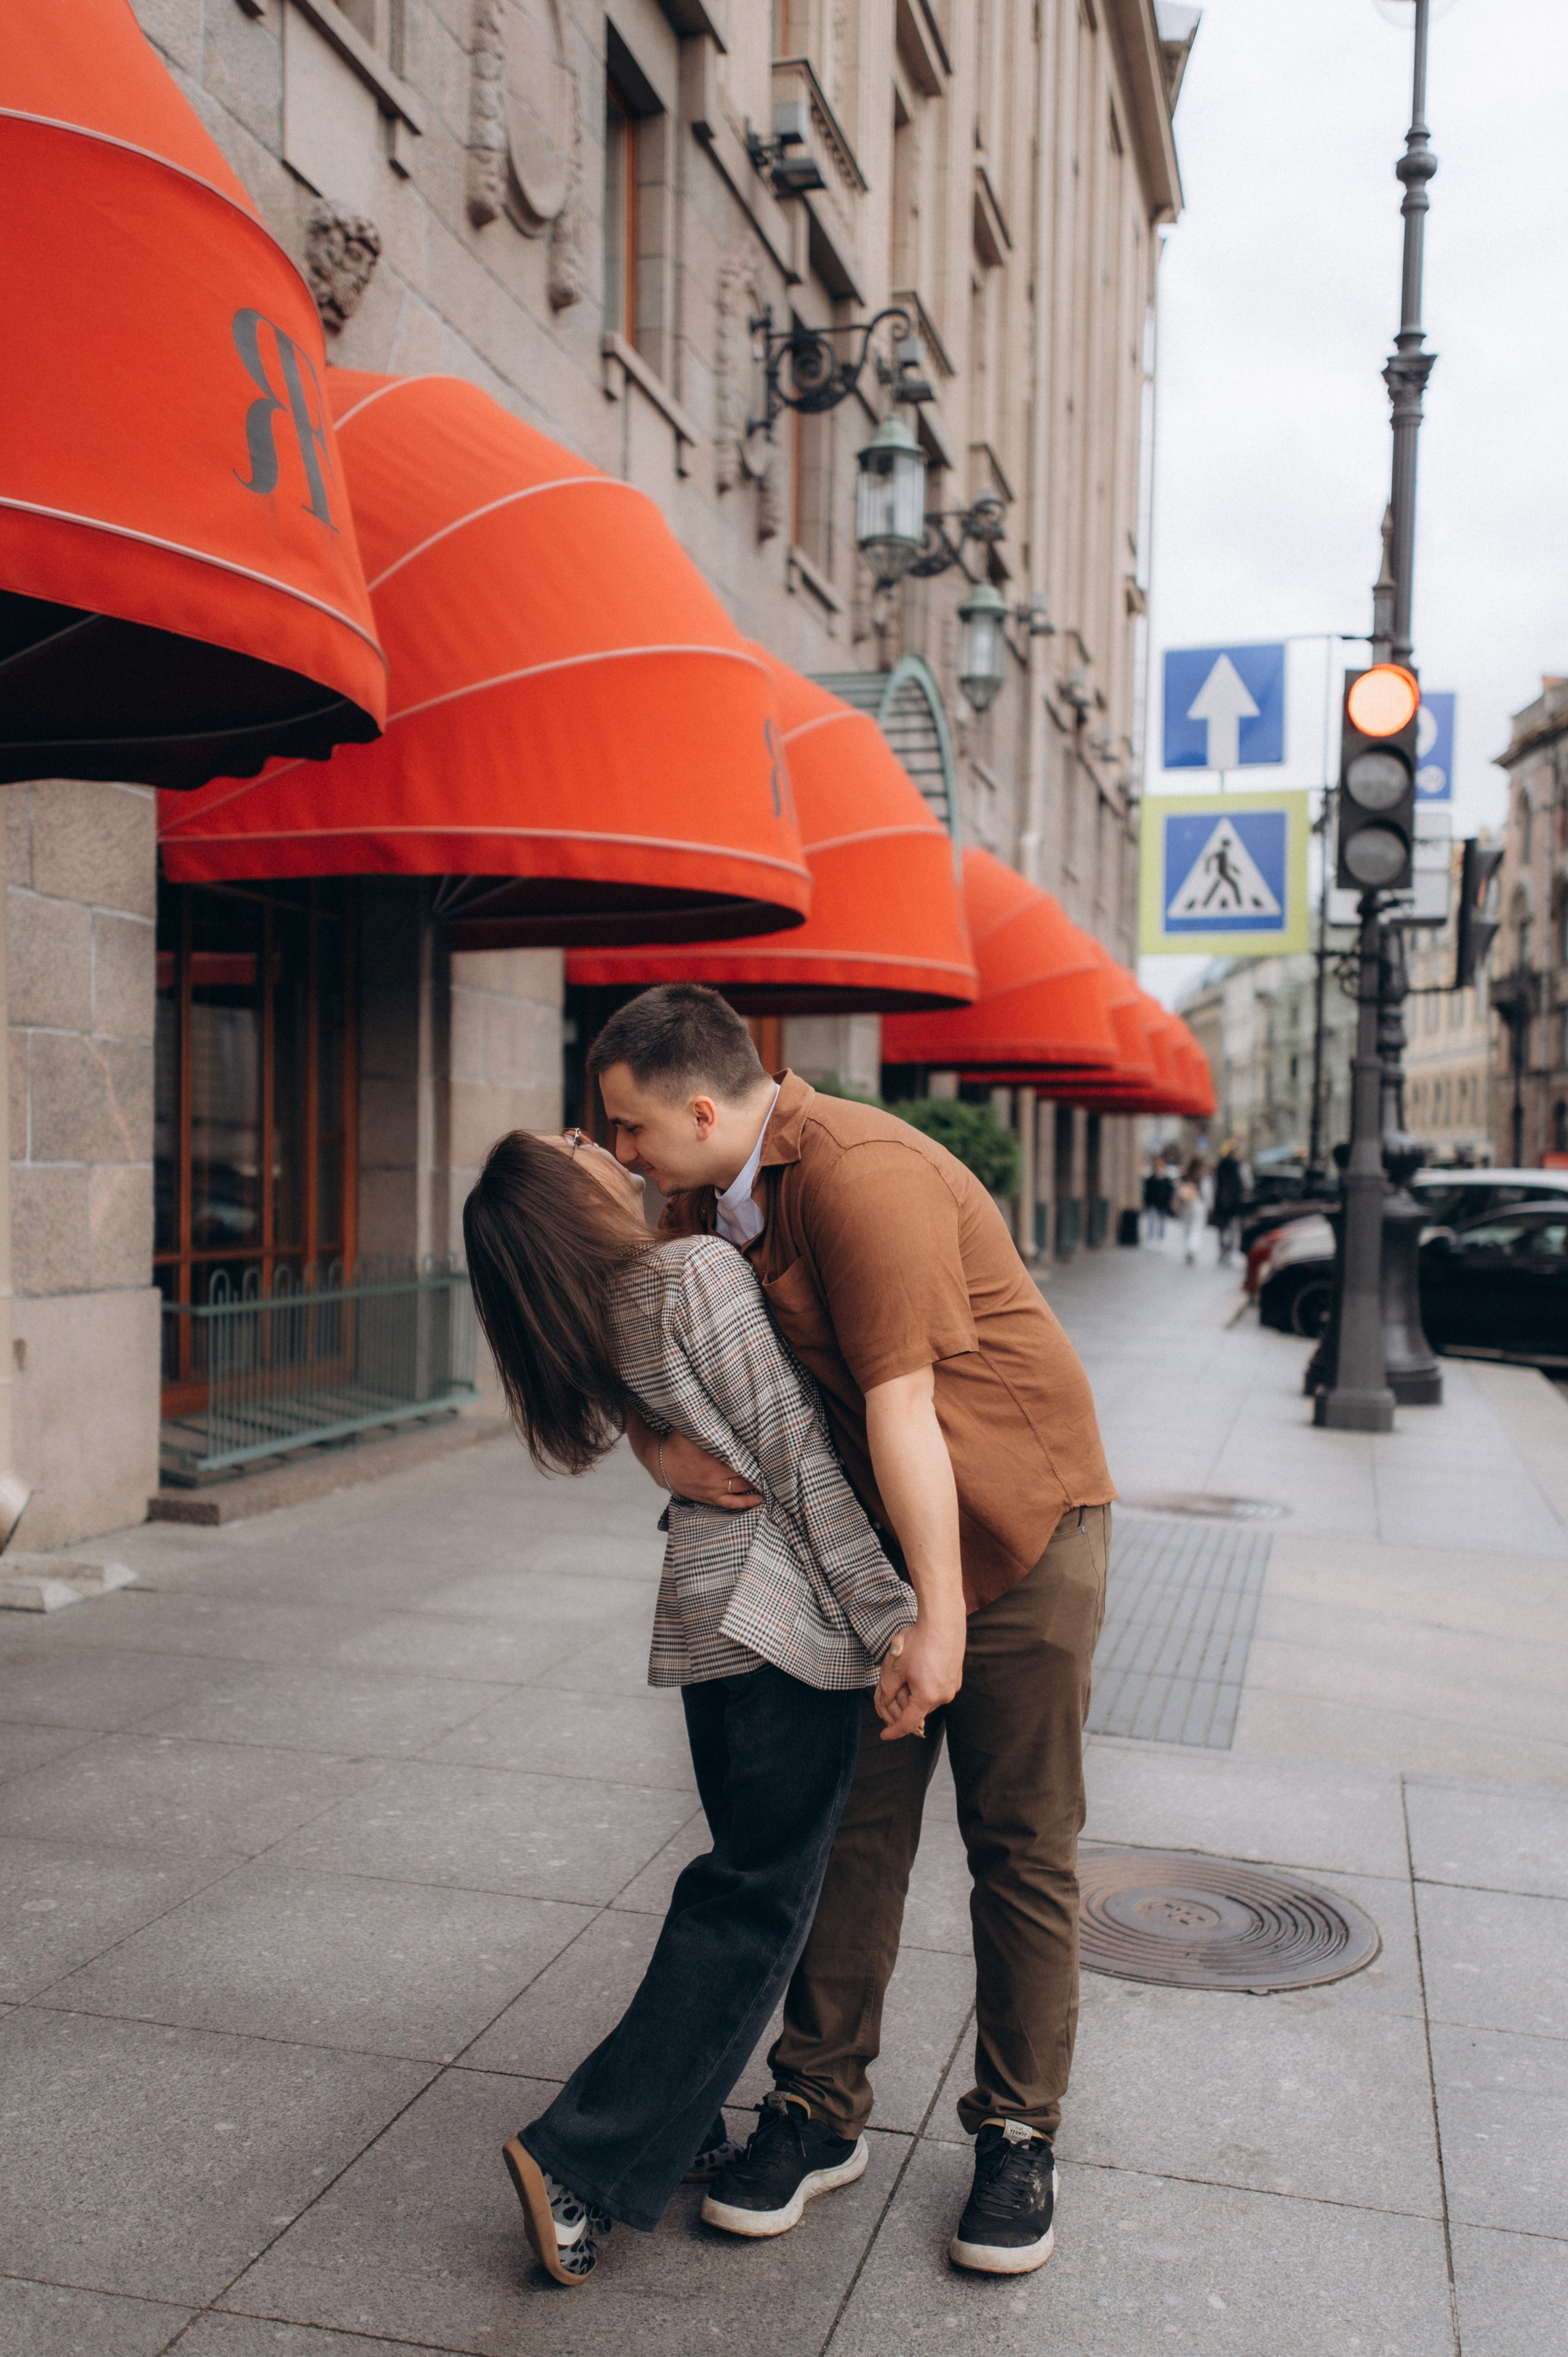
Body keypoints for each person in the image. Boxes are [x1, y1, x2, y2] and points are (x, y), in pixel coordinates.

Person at [588, 984, 1114, 2278]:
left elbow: (903, 1411)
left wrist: (935, 1624)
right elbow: (646, 1355)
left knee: (1018, 1845)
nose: (619, 1152)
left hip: (1017, 1535)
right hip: (875, 1558)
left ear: (701, 1107)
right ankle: (819, 2111)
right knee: (849, 1836)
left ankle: (1015, 2132)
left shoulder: (860, 1174)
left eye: (627, 1127)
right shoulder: (699, 1196)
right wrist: (664, 1448)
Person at [463, 1126, 916, 2287]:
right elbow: (797, 1456)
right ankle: (582, 2151)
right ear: (567, 1197)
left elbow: (691, 1429)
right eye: (568, 1143)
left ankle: (677, 2122)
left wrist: (659, 1455)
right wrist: (894, 1620)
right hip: (779, 1623)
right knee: (758, 1896)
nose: (591, 1140)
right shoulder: (692, 1271)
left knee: (740, 1876)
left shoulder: (613, 1297)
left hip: (710, 1620)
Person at [1213, 1141, 1247, 1262]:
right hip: (1234, 1202)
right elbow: (1245, 1184)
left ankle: (1223, 1249)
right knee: (1233, 1227)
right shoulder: (1239, 1166)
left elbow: (1216, 1184)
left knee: (1222, 1228)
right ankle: (1229, 1248)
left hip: (1221, 1201)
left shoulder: (1220, 1166)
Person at [1177, 1154, 1210, 1264]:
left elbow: (1179, 1189)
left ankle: (1188, 1247)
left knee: (1187, 1228)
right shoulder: (1203, 1177)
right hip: (1198, 1204)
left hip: (1186, 1205)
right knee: (1196, 1228)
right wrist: (1210, 1205)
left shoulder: (1187, 1175)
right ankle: (1192, 1248)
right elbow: (1206, 1193)